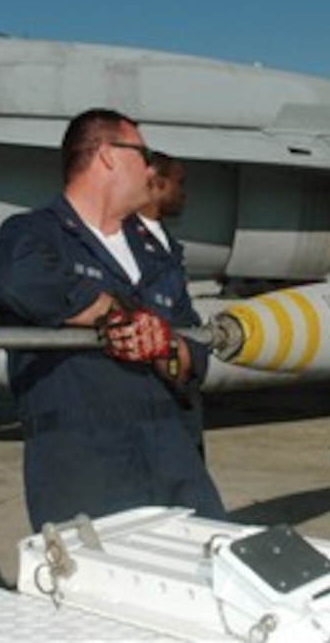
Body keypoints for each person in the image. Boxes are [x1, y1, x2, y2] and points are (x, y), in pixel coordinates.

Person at [0, 108, 225, 531]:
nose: (151, 168)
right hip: (83, 471)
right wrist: (117, 316)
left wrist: (164, 345)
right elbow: (11, 277)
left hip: (176, 460)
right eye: (142, 154)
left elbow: (193, 353)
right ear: (108, 155)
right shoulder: (33, 235)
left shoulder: (157, 253)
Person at [133, 151, 208, 459]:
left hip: (179, 395)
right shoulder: (127, 243)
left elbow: (183, 316)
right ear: (156, 184)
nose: (184, 193)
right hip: (149, 399)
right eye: (179, 183)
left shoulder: (166, 245)